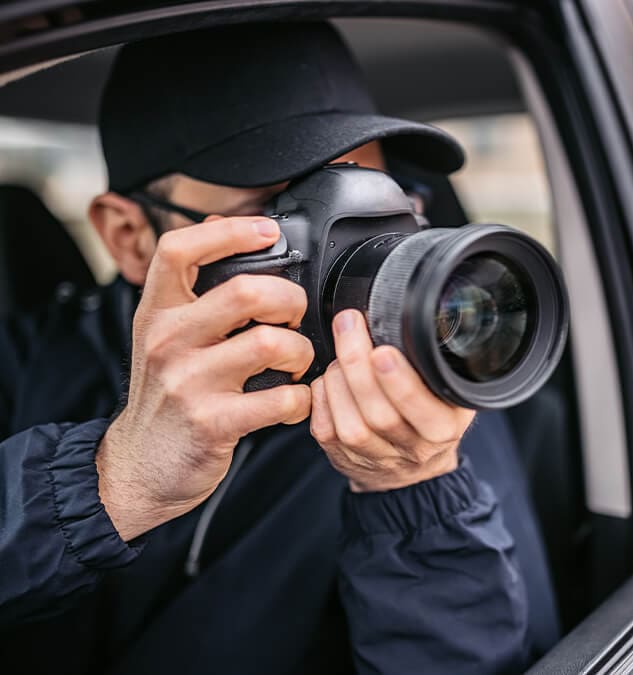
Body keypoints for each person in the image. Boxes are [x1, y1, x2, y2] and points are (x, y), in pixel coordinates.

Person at [0, 21, 559, 675]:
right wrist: (114, 480)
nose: (347, 245)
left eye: (380, 198)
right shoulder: (29, 360)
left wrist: (410, 490)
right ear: (129, 236)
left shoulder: (423, 409)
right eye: (287, 211)